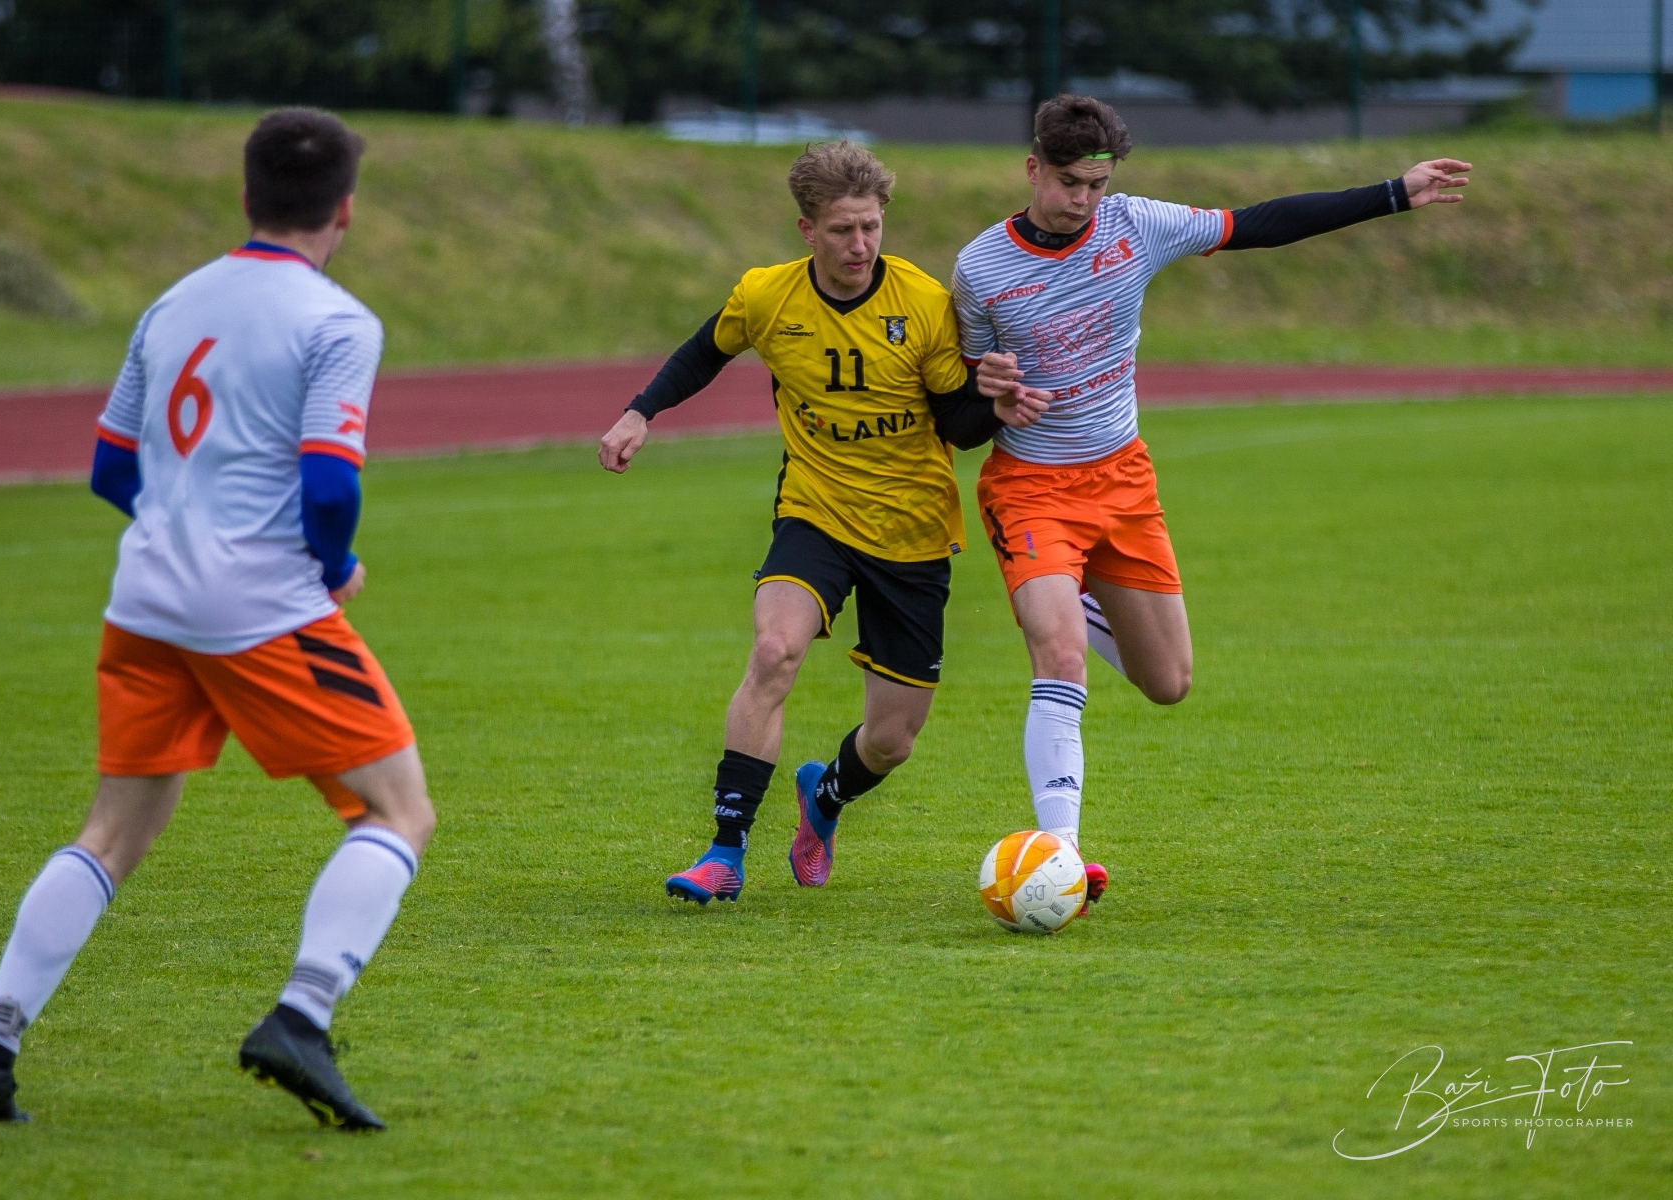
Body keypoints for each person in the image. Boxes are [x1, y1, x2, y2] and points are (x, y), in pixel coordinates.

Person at [0, 108, 434, 1131]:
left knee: (112, 831)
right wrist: (333, 565)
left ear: (247, 195)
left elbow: (111, 467)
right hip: (259, 607)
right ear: (345, 210)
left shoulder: (174, 302)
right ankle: (302, 1015)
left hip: (146, 601)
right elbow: (329, 482)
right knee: (397, 813)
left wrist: (183, 531)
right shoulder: (337, 320)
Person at [955, 94, 1471, 894]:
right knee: (1057, 654)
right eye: (1068, 182)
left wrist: (1393, 193)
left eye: (1096, 184)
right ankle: (1060, 857)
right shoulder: (981, 269)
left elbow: (1260, 224)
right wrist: (989, 398)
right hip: (1031, 489)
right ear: (1033, 169)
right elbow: (958, 418)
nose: (1083, 199)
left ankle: (1068, 591)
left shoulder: (1136, 225)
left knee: (1168, 683)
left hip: (1123, 482)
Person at [599, 140, 1055, 904]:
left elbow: (957, 422)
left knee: (892, 740)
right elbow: (704, 351)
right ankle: (724, 853)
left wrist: (996, 407)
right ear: (807, 229)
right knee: (774, 650)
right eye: (843, 229)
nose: (860, 244)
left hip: (911, 531)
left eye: (872, 226)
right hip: (816, 511)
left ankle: (825, 797)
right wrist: (639, 412)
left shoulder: (923, 303)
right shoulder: (767, 296)